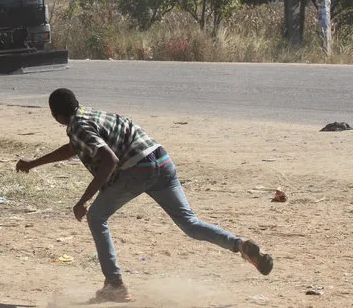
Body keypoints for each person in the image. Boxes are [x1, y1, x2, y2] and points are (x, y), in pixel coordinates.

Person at [16, 88, 273, 303]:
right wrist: (33, 163)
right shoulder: (88, 114)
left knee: (96, 217)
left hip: (136, 170)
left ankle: (115, 285)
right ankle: (239, 244)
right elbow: (72, 148)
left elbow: (108, 160)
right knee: (190, 224)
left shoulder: (78, 126)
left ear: (55, 115)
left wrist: (83, 200)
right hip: (161, 160)